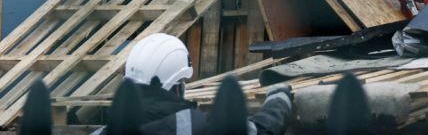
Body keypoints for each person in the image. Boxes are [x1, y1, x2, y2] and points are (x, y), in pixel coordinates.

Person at [110, 33, 293, 135]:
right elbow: (260, 130)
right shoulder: (193, 126)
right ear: (176, 87)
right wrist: (279, 97)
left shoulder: (104, 132)